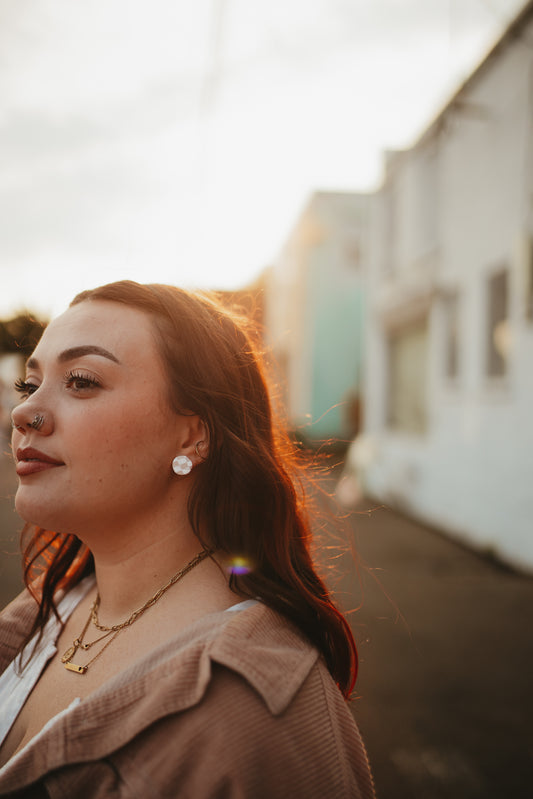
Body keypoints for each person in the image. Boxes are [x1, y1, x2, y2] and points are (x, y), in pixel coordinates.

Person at [0, 280, 375, 798]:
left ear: (194, 435)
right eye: (29, 386)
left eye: (82, 381)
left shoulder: (253, 718)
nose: (23, 414)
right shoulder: (57, 598)